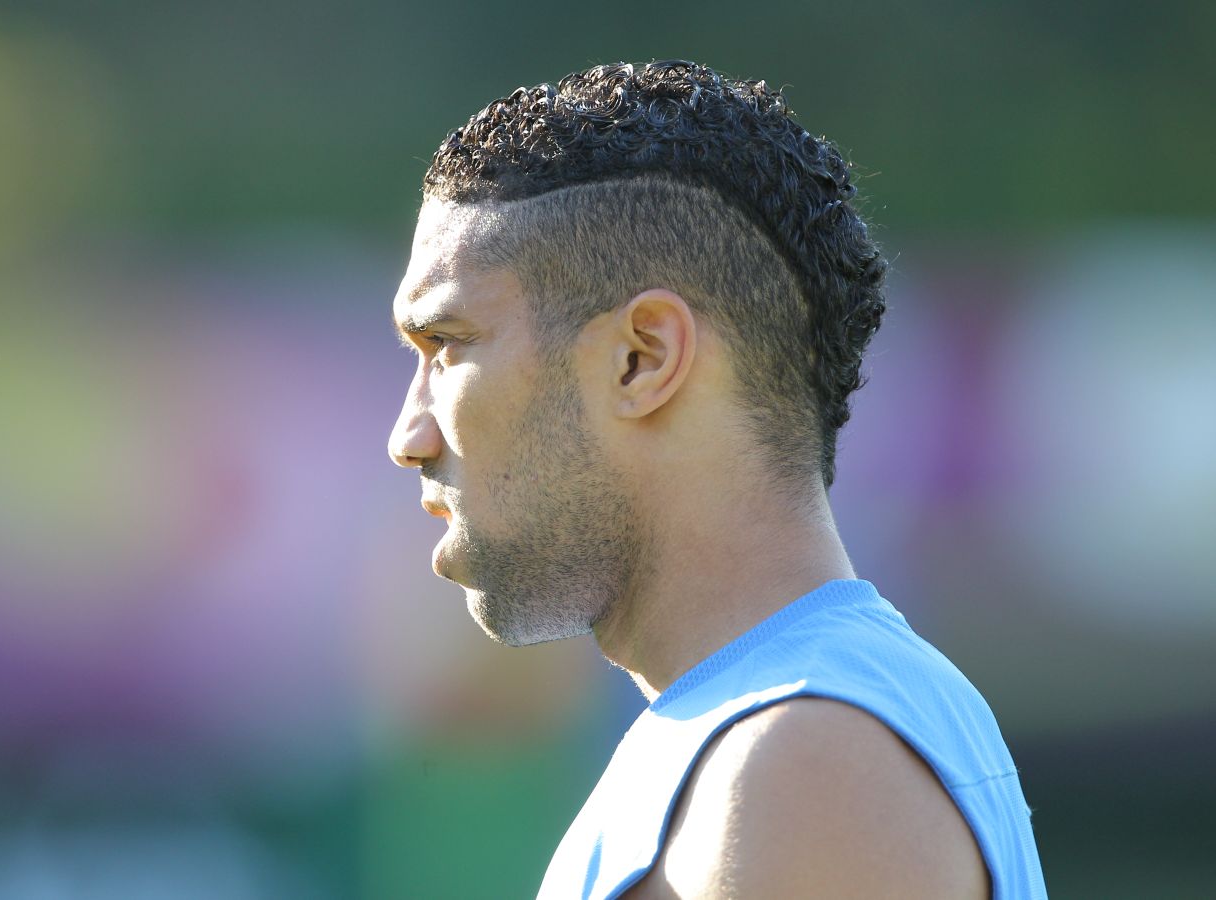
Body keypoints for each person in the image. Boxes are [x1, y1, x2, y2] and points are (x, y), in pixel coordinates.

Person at [387, 60, 1046, 899]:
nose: (408, 437)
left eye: (447, 346)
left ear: (642, 358)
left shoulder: (803, 760)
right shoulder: (757, 732)